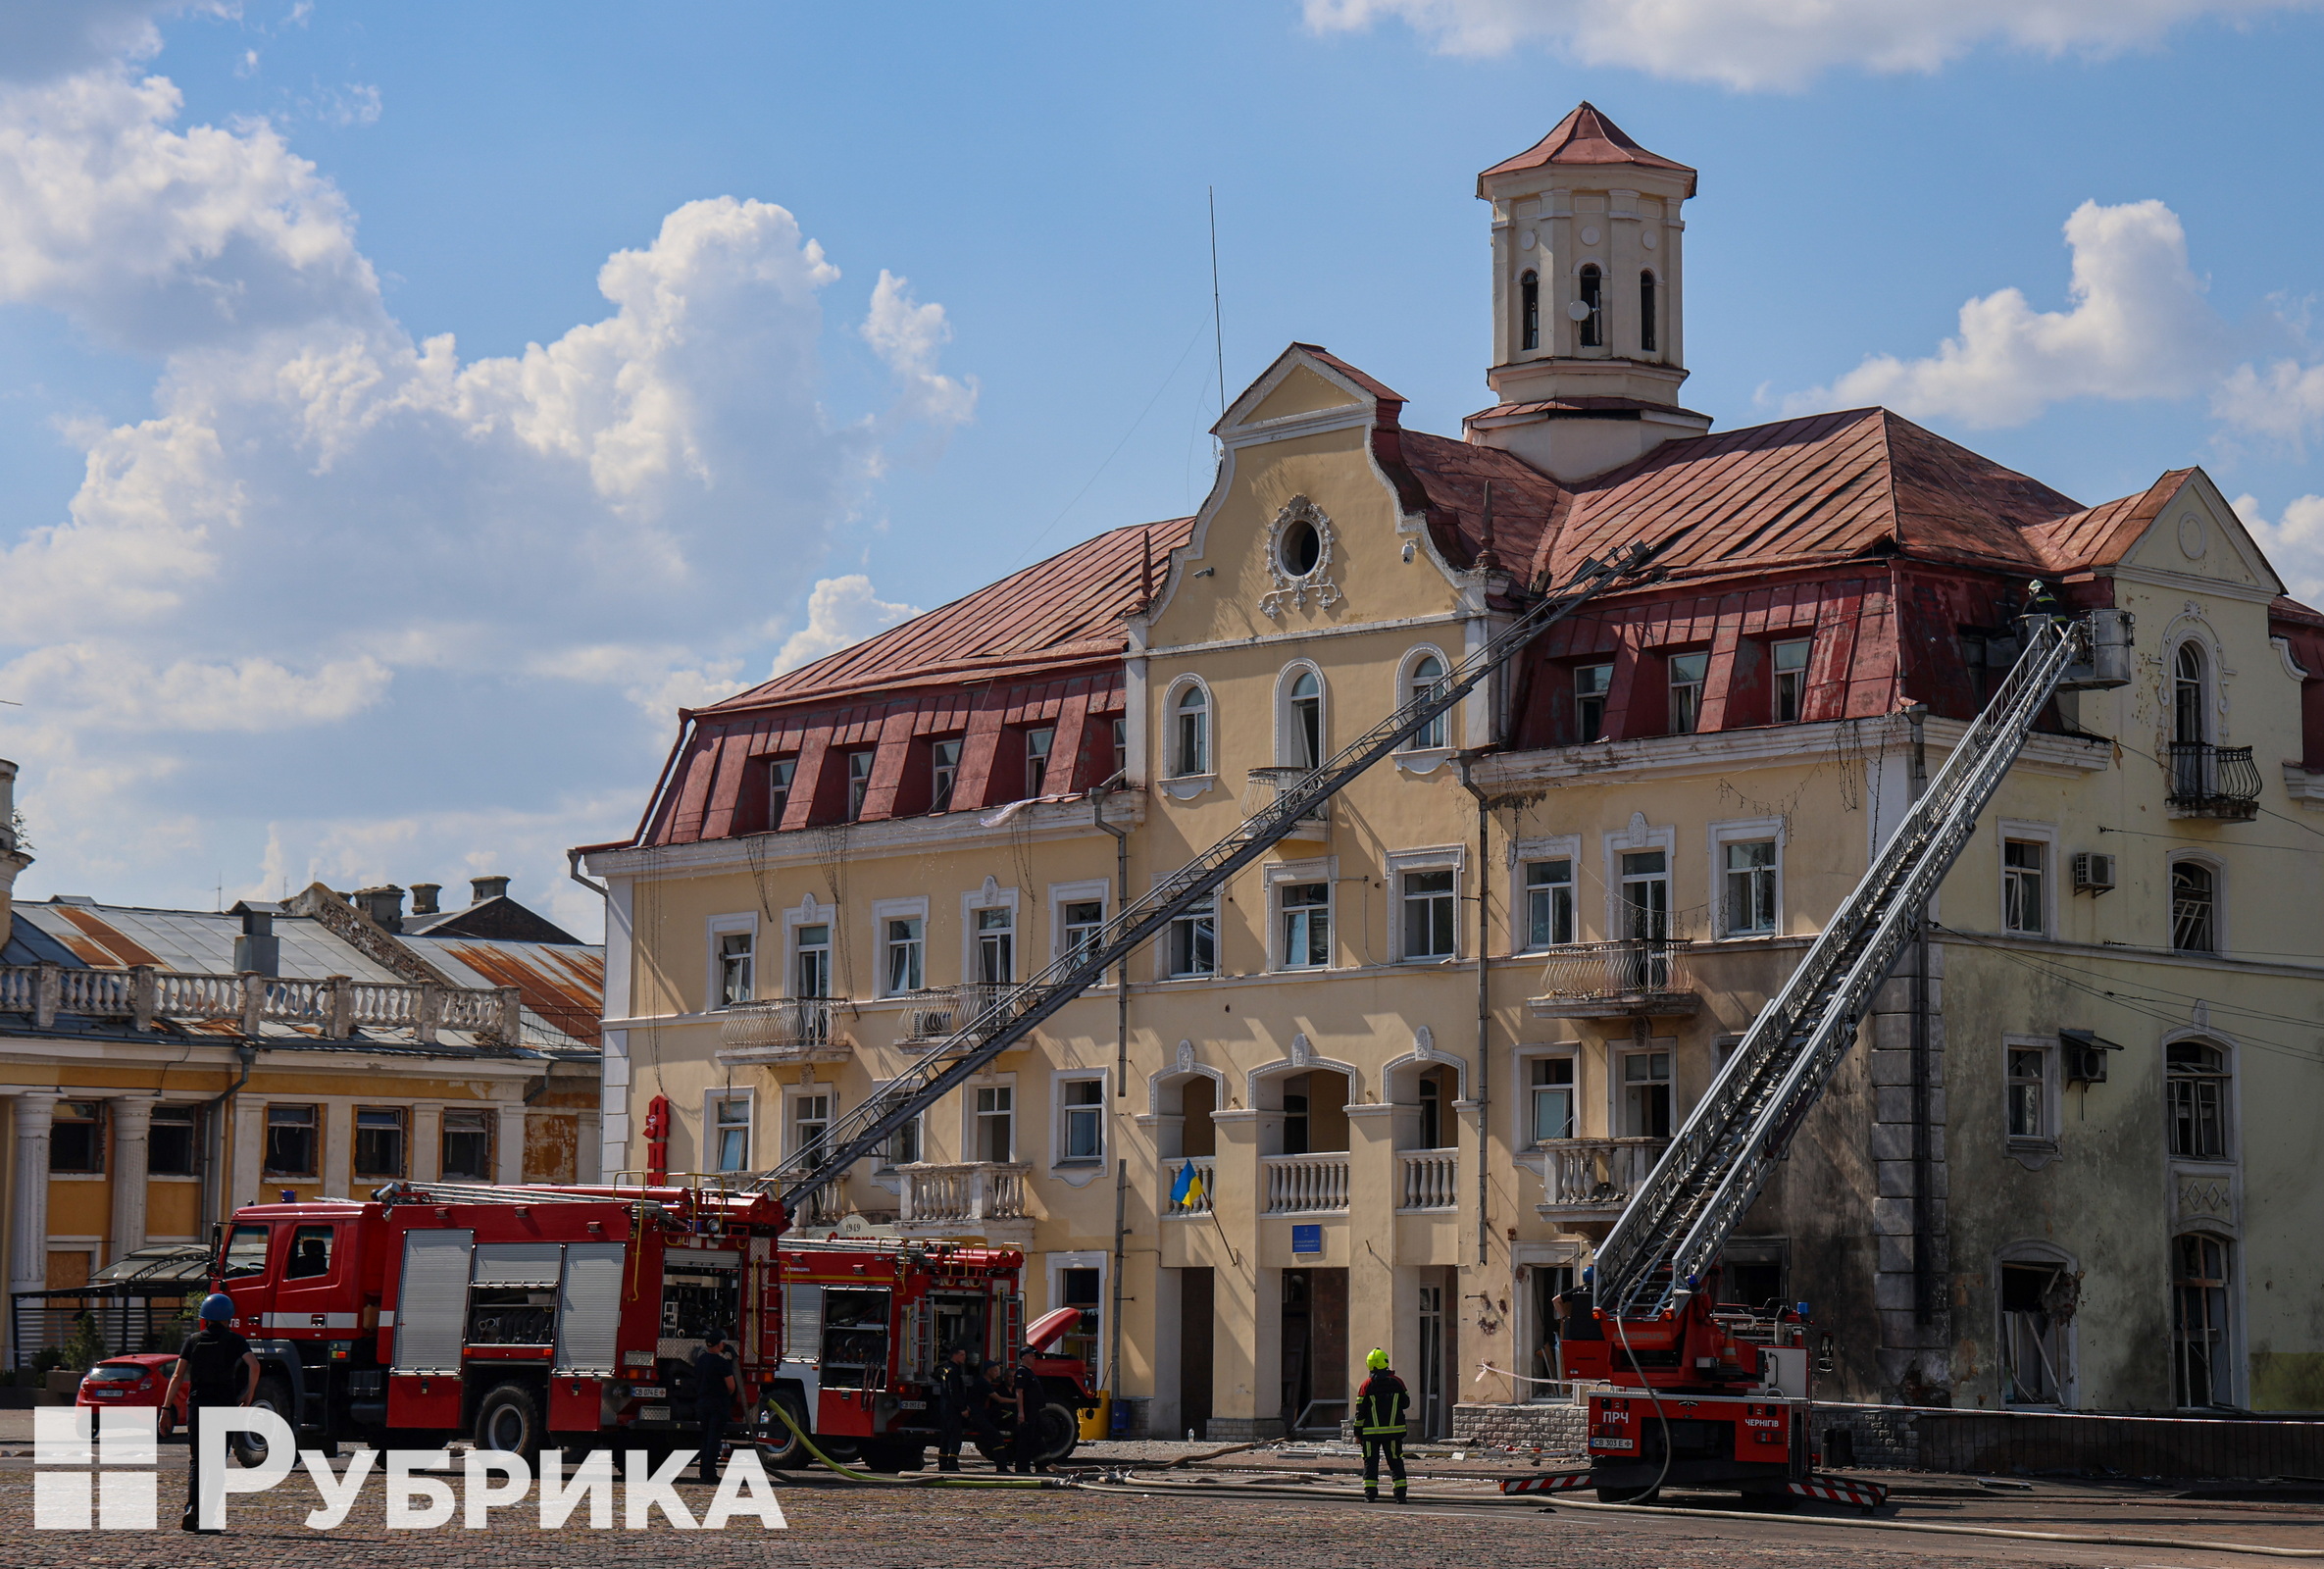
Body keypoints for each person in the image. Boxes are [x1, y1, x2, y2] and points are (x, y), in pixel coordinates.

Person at [163, 1292, 259, 1533]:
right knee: (216, 1464)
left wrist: (165, 1408)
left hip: (198, 1406)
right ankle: (207, 1518)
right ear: (228, 1318)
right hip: (223, 1407)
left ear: (204, 1318)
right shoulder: (236, 1341)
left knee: (197, 1460)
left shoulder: (193, 1341)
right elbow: (254, 1365)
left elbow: (177, 1376)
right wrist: (249, 1394)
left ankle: (192, 1509)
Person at [1353, 1347, 1409, 1503]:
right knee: (1396, 1462)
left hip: (1370, 1434)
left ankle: (1370, 1495)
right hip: (1394, 1433)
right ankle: (1400, 1495)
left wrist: (1357, 1433)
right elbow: (1406, 1403)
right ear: (1385, 1362)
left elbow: (1360, 1413)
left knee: (1370, 1463)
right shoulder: (1397, 1382)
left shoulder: (1366, 1385)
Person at [935, 1345, 1001, 1473]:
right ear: (955, 1355)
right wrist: (962, 1408)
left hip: (945, 1407)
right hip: (953, 1408)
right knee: (955, 1437)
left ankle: (942, 1463)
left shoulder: (945, 1369)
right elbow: (954, 1391)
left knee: (945, 1436)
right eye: (962, 1355)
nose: (964, 1358)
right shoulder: (954, 1370)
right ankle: (952, 1464)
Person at [692, 1327, 738, 1485]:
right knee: (714, 1439)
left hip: (703, 1403)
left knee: (705, 1439)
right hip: (718, 1404)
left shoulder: (700, 1361)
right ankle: (710, 1473)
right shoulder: (722, 1363)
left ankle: (703, 1471)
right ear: (720, 1344)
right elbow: (731, 1386)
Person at [1007, 1347, 1048, 1475]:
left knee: (1037, 1438)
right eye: (1031, 1356)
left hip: (1035, 1411)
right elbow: (1019, 1392)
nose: (1033, 1358)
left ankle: (1041, 1465)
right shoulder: (1021, 1372)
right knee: (1026, 1440)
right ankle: (1022, 1468)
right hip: (1027, 1411)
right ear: (1023, 1357)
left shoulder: (1029, 1372)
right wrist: (1021, 1412)